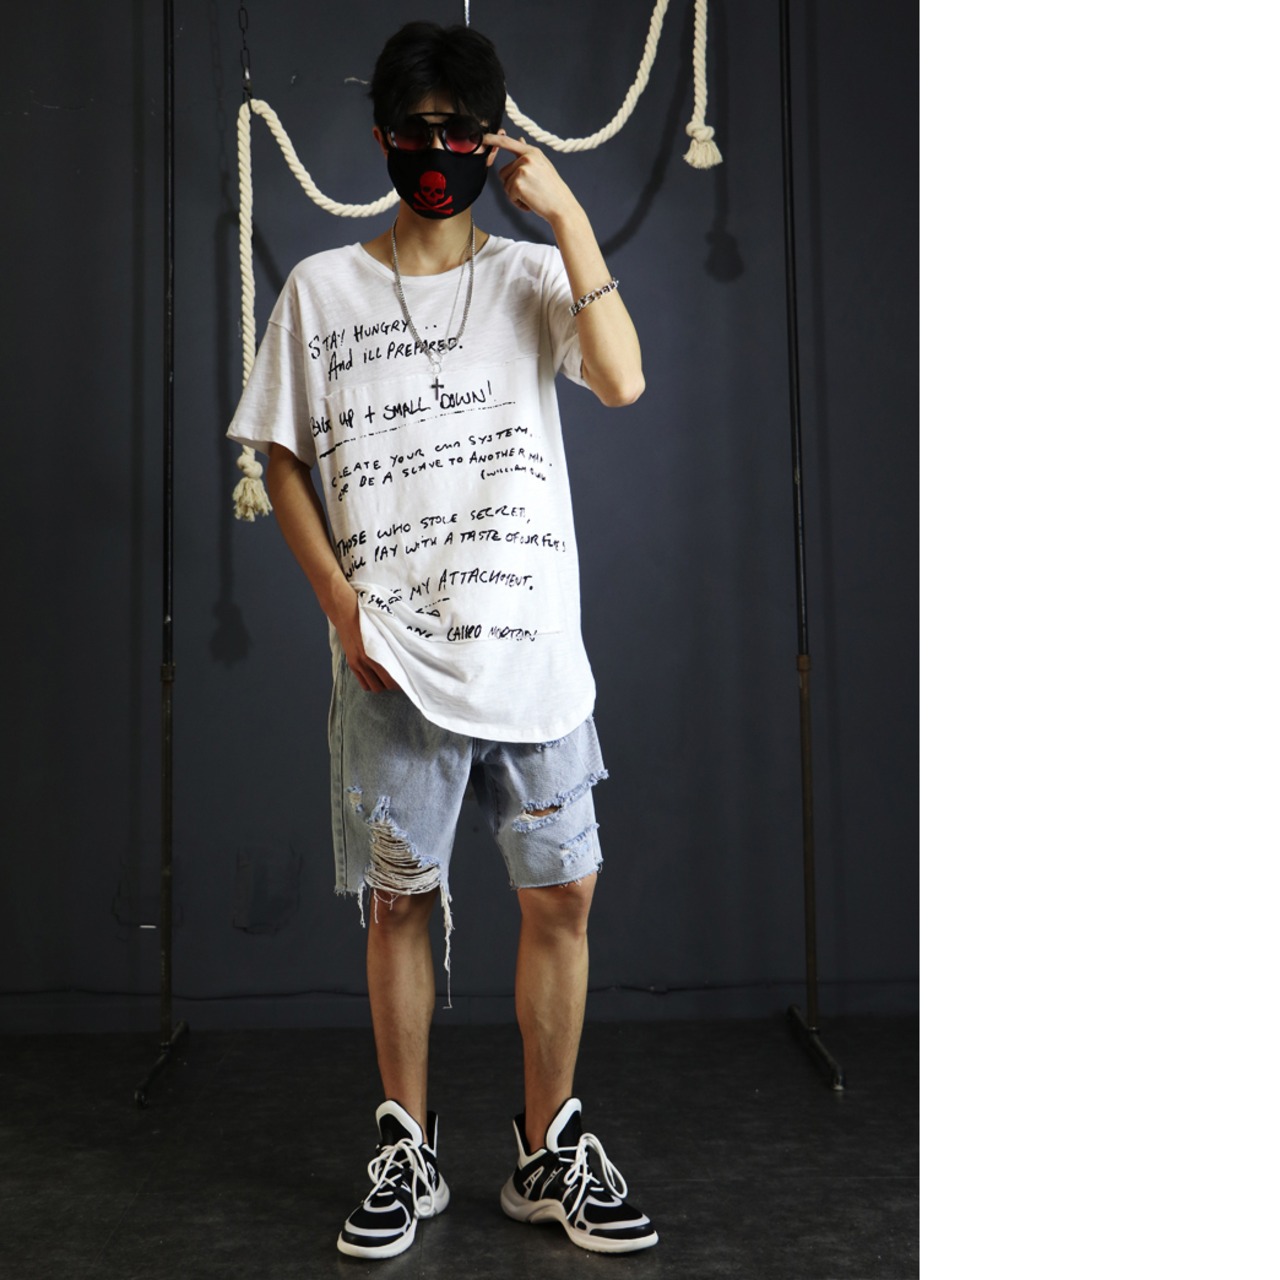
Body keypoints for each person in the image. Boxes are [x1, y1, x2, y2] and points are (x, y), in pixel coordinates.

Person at [226, 20, 656, 1260]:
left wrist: (565, 215)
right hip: (395, 657)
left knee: (562, 891)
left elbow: (622, 379)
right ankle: (406, 1146)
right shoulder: (321, 290)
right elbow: (280, 455)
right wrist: (337, 604)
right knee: (399, 900)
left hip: (530, 649)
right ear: (379, 137)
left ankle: (546, 1145)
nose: (434, 151)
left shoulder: (530, 276)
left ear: (489, 139)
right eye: (414, 131)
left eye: (456, 132)